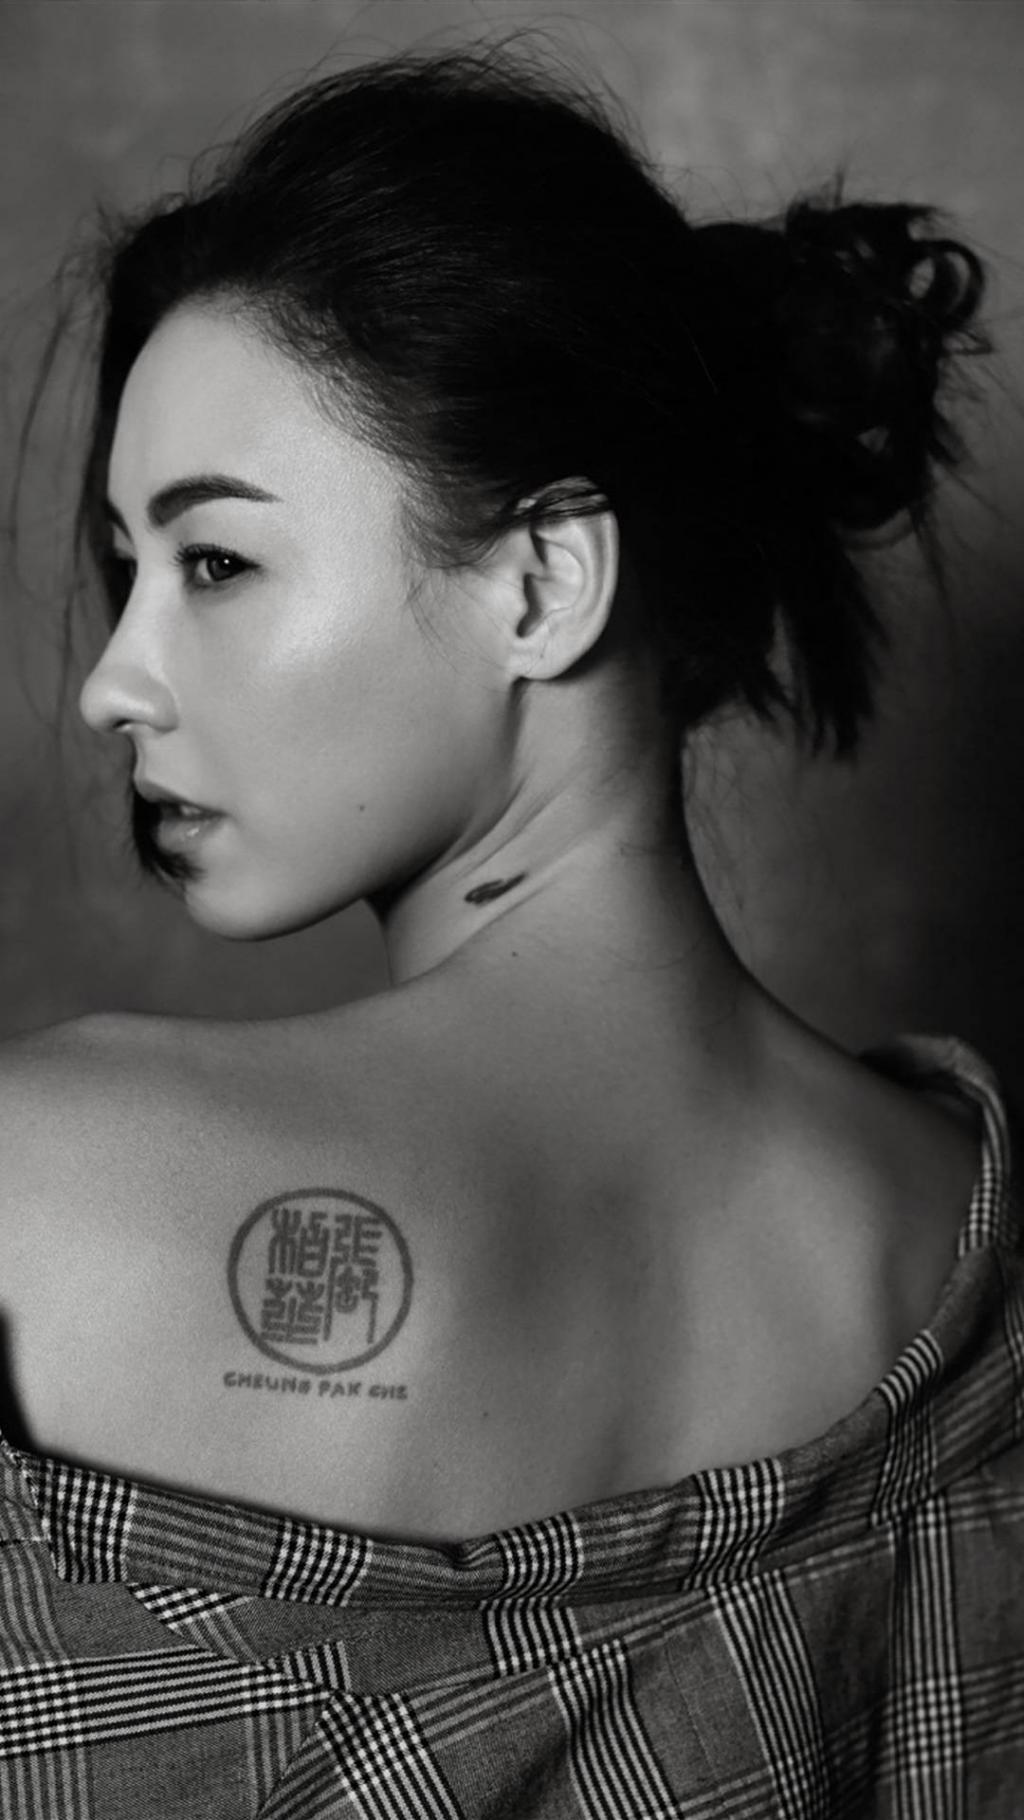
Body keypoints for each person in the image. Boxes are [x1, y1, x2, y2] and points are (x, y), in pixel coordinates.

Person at [0, 42, 1018, 1820]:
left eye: (215, 563)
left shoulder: (35, 1193)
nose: (113, 682)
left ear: (545, 583)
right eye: (127, 565)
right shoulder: (967, 1252)